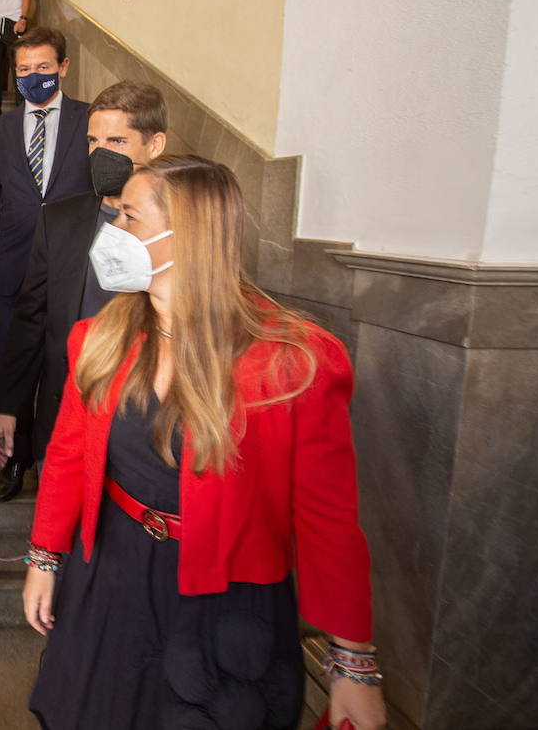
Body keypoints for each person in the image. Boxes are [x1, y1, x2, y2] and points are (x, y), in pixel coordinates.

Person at [23, 155, 386, 730]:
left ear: (186, 234)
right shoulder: (99, 337)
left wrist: (352, 663)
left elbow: (328, 520)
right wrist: (44, 558)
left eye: (129, 218)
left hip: (227, 595)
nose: (111, 233)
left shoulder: (293, 360)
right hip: (111, 572)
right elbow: (68, 453)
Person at [0, 82, 168, 502]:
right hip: (65, 422)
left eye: (117, 140)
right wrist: (9, 405)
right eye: (93, 140)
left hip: (147, 429)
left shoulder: (182, 228)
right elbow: (30, 321)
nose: (100, 152)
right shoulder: (60, 221)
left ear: (155, 144)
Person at [0, 26, 90, 495]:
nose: (33, 76)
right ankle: (15, 460)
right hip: (12, 263)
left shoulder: (88, 120)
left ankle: (53, 458)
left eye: (43, 67)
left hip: (71, 266)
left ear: (62, 67)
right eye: (23, 69)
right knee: (13, 359)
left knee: (62, 362)